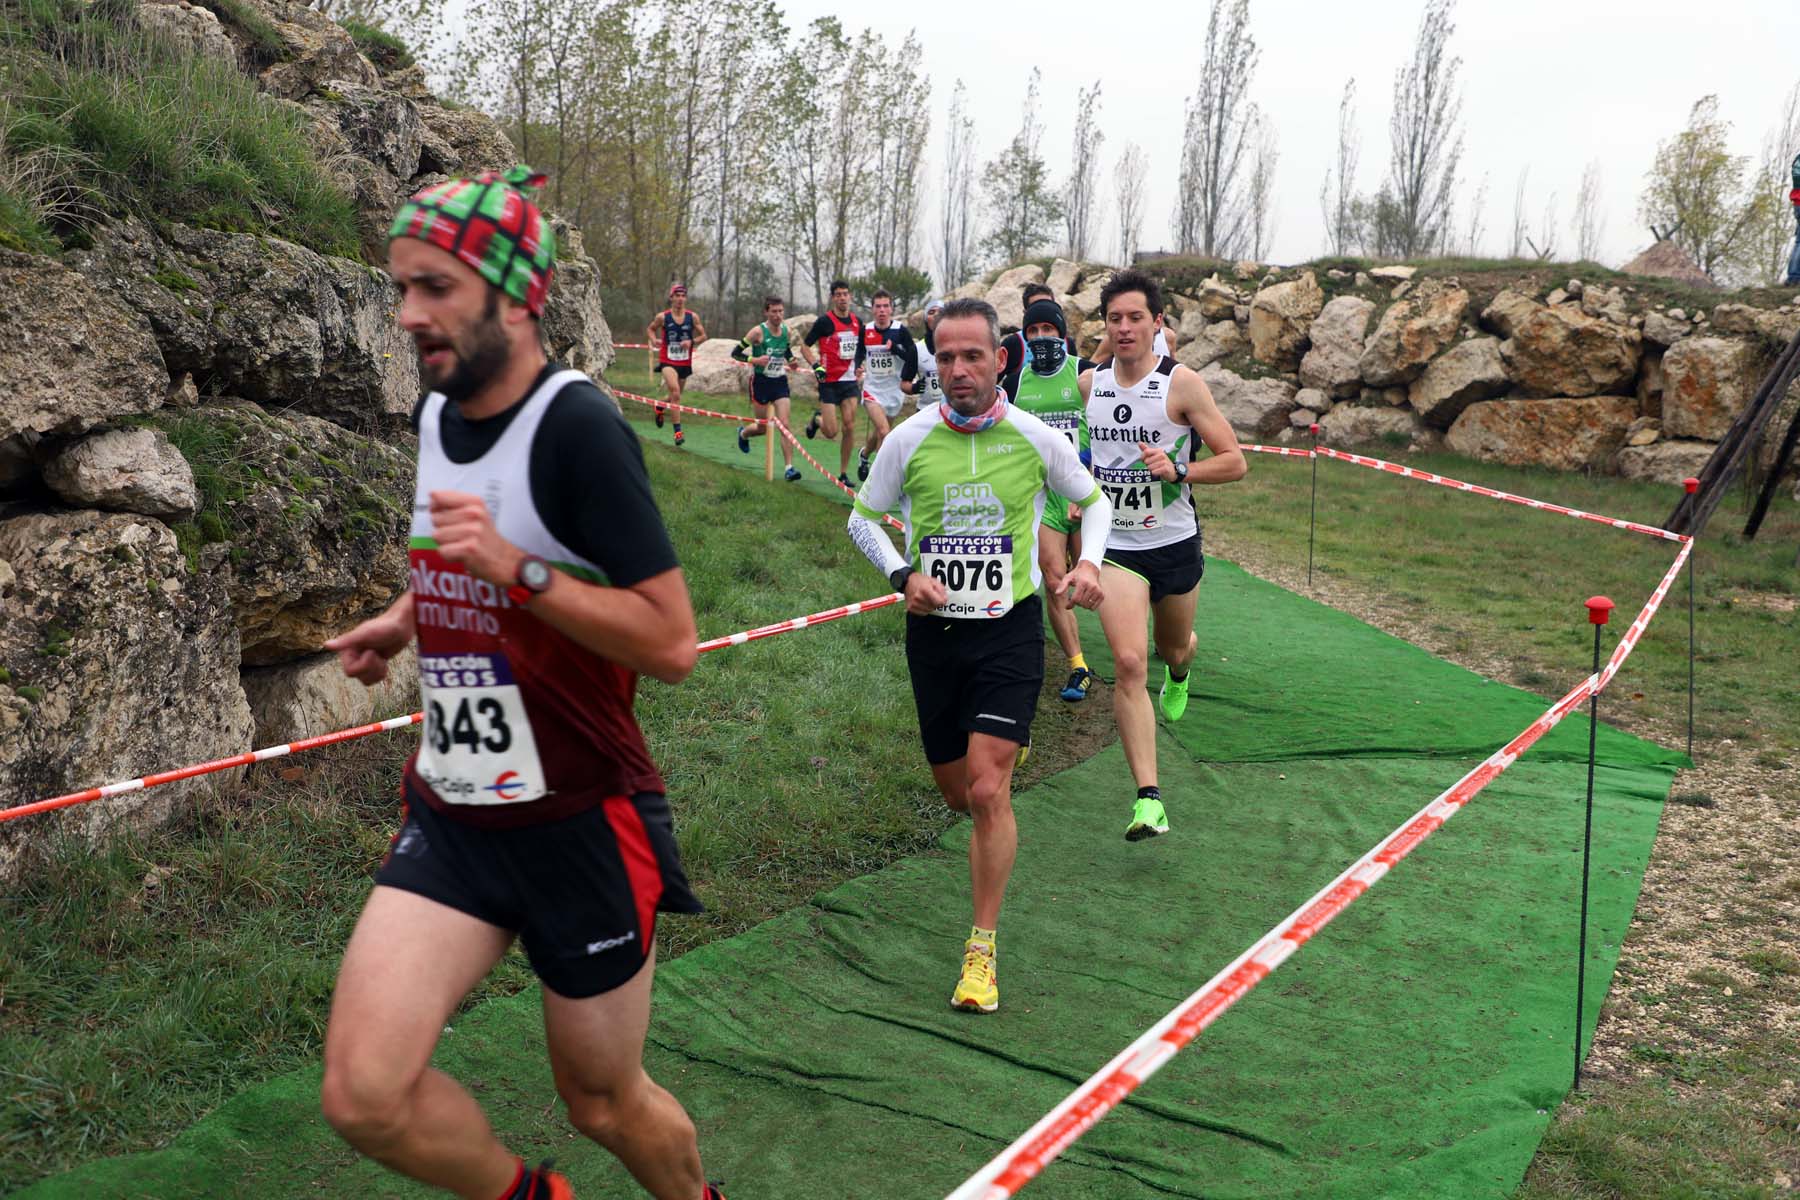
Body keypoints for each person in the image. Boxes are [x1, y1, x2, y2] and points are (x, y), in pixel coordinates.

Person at [322, 166, 725, 1200]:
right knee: (365, 1096)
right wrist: (407, 619)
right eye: (401, 288)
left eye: (435, 289)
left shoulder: (577, 428)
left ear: (515, 294)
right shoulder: (436, 414)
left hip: (581, 821)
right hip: (456, 809)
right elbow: (460, 548)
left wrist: (522, 573)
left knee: (601, 1103)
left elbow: (671, 642)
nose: (408, 314)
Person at [846, 297, 1112, 1014]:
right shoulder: (908, 437)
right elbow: (861, 519)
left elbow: (1096, 500)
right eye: (946, 356)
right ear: (932, 360)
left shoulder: (1032, 437)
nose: (958, 369)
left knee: (990, 791)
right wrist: (903, 575)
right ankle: (995, 770)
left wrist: (1090, 563)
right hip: (934, 634)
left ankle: (981, 948)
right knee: (962, 794)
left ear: (1001, 359)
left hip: (1009, 627)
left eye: (973, 355)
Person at [1083, 268, 1245, 841]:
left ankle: (1180, 671)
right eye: (1114, 319)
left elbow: (1235, 460)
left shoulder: (1183, 385)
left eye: (1135, 318)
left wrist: (1180, 469)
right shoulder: (1090, 385)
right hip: (1116, 548)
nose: (1124, 329)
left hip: (1173, 543)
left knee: (1171, 646)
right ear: (1105, 327)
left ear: (1158, 324)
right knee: (1128, 664)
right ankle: (1149, 799)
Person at [1008, 296, 1100, 703]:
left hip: (1084, 491)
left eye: (1049, 330)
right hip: (1042, 497)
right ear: (1024, 337)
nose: (1042, 337)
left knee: (1095, 581)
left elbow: (1105, 433)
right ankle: (1078, 665)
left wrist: (1089, 485)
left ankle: (1134, 642)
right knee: (1052, 578)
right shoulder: (1015, 383)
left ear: (1063, 333)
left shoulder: (1084, 373)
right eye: (1034, 331)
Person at [799, 280, 866, 488]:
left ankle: (844, 473)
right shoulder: (824, 322)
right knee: (831, 432)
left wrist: (860, 365)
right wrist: (816, 364)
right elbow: (805, 347)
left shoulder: (858, 323)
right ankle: (817, 421)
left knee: (850, 425)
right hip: (828, 382)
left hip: (849, 382)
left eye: (845, 294)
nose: (842, 298)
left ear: (850, 297)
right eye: (838, 294)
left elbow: (862, 349)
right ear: (833, 298)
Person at [730, 295, 803, 482]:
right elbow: (735, 353)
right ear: (766, 312)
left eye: (781, 311)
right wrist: (754, 360)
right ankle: (744, 433)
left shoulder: (786, 331)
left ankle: (789, 468)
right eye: (774, 311)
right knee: (762, 428)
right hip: (760, 382)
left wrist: (792, 360)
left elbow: (785, 350)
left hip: (779, 381)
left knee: (784, 424)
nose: (778, 315)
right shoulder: (757, 332)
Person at [857, 288, 919, 481]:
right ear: (872, 309)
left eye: (886, 306)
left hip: (894, 391)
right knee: (885, 431)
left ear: (891, 309)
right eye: (878, 306)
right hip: (872, 390)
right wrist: (858, 366)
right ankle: (878, 481)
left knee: (879, 432)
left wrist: (896, 350)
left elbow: (912, 357)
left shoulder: (900, 331)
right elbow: (859, 353)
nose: (882, 310)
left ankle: (865, 454)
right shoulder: (865, 330)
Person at [648, 284, 707, 447]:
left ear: (685, 298)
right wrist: (654, 340)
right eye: (677, 295)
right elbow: (651, 329)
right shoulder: (663, 317)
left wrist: (692, 341)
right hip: (667, 360)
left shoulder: (692, 317)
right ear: (671, 298)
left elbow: (703, 336)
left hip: (684, 361)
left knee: (677, 395)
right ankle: (678, 432)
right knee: (675, 392)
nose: (680, 299)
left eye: (683, 296)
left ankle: (660, 405)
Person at [1786, 151, 1800, 287]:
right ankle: (1795, 276)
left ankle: (1793, 276)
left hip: (1798, 203)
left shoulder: (1798, 160)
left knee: (1799, 241)